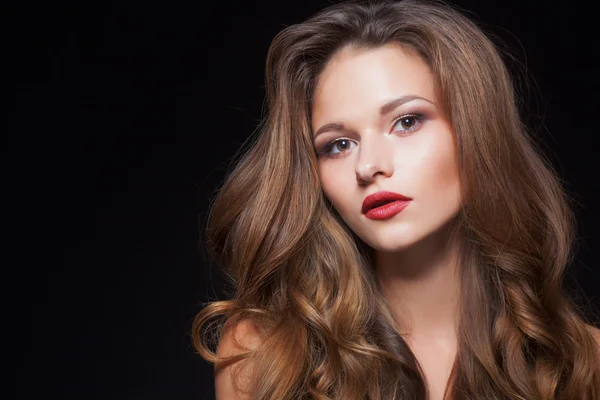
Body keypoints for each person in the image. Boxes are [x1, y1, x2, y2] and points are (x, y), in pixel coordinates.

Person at [191, 0, 600, 398]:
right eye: (338, 145)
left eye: (406, 122)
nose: (368, 166)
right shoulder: (266, 353)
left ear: (476, 131)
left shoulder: (586, 362)